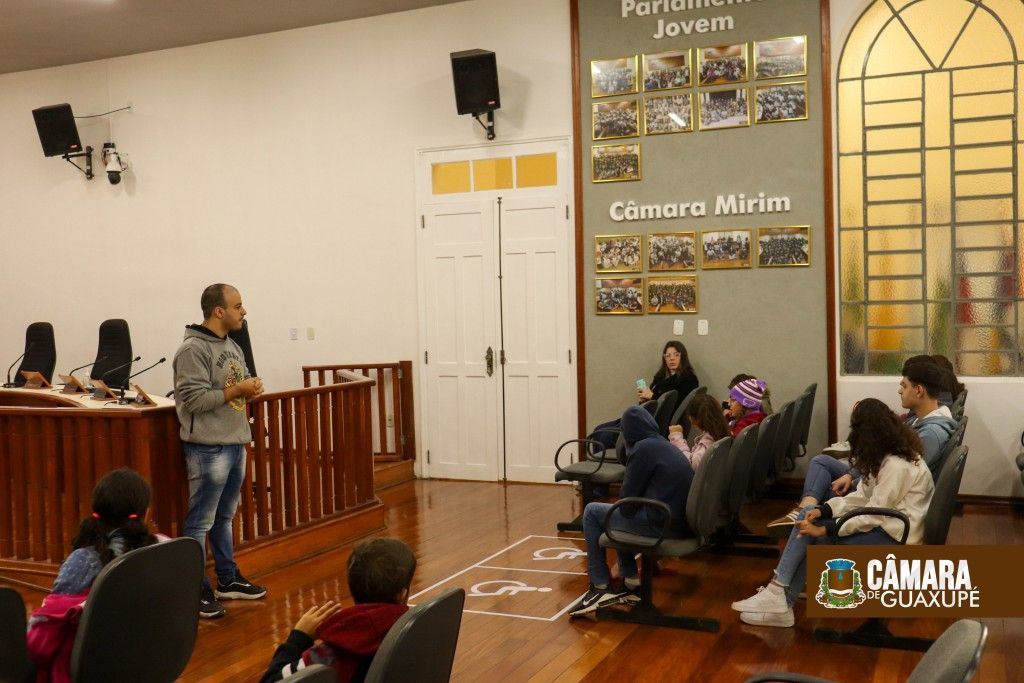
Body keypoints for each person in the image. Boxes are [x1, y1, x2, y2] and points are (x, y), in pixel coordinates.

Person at [732, 398, 934, 627]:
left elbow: (873, 514)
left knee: (818, 539)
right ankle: (779, 599)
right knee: (807, 512)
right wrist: (823, 510)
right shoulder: (888, 455)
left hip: (897, 534)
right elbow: (862, 496)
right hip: (887, 522)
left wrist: (827, 527)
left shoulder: (896, 465)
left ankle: (780, 597)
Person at [767, 362, 958, 530]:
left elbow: (895, 480)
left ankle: (804, 512)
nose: (900, 390)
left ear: (919, 390)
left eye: (904, 385)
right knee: (822, 463)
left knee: (822, 499)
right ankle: (805, 509)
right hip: (881, 484)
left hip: (892, 501)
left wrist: (854, 478)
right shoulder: (917, 419)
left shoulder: (930, 434)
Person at [174, 283, 266, 618]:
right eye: (238, 305)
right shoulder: (192, 350)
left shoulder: (233, 346)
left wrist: (249, 389)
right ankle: (194, 588)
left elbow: (234, 388)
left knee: (224, 518)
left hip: (234, 441)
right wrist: (237, 389)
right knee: (200, 523)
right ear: (219, 311)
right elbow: (195, 400)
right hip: (208, 448)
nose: (244, 311)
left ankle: (227, 580)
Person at [27, 469, 162, 681]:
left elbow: (48, 627)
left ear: (96, 510)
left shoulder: (83, 561)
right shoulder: (160, 551)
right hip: (143, 659)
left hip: (87, 666)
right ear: (145, 512)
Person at [569, 405, 694, 617]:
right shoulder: (662, 444)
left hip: (661, 525)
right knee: (617, 514)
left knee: (592, 512)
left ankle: (600, 586)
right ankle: (630, 583)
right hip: (677, 522)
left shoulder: (643, 449)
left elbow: (626, 504)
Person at [259, 538, 416, 682]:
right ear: (402, 594)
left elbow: (272, 681)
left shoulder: (334, 652)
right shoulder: (417, 628)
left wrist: (298, 638)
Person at [588, 341, 699, 451]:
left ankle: (607, 465)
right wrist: (644, 400)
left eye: (676, 355)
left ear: (682, 357)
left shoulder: (688, 380)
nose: (672, 358)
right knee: (599, 429)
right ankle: (602, 464)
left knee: (604, 435)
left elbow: (671, 406)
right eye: (667, 356)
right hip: (644, 416)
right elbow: (654, 401)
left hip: (653, 424)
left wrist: (652, 396)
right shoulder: (660, 378)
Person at [668, 393, 730, 470]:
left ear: (692, 419)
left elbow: (691, 465)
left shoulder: (706, 444)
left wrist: (676, 437)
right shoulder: (722, 431)